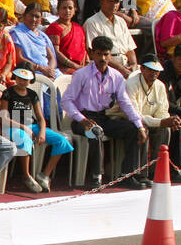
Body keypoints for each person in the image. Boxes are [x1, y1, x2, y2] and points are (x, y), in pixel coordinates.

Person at [64, 36, 150, 189]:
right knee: (95, 131)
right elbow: (66, 101)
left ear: (111, 55)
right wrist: (82, 119)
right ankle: (96, 177)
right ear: (92, 54)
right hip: (82, 119)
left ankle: (129, 175)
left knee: (134, 130)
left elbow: (125, 102)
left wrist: (139, 125)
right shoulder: (81, 75)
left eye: (106, 54)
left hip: (103, 117)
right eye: (99, 54)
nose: (102, 58)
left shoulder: (116, 76)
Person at [0, 68, 71, 192]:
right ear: (16, 78)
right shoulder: (8, 93)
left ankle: (44, 175)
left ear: (30, 80)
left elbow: (40, 117)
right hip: (13, 126)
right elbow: (3, 118)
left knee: (61, 140)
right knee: (25, 139)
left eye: (26, 79)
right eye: (20, 78)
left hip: (32, 125)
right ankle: (26, 176)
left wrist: (42, 131)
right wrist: (23, 127)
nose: (23, 82)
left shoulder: (32, 94)